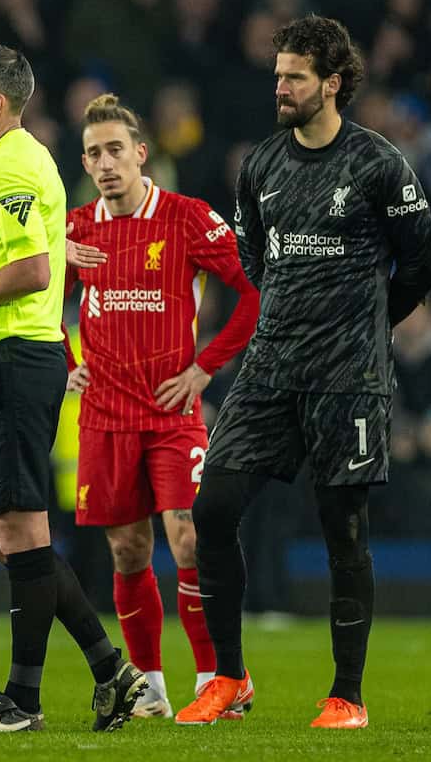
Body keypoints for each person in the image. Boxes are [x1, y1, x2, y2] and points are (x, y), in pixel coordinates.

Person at [181, 16, 431, 729]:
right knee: (214, 510)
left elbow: (420, 266)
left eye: (295, 77)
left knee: (341, 527)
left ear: (332, 83)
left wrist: (366, 325)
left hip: (346, 377)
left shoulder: (379, 164)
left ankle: (346, 696)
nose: (282, 87)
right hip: (269, 370)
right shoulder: (260, 165)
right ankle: (229, 678)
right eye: (278, 75)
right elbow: (255, 262)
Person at [0, 43, 146, 733]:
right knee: (0, 534)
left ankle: (23, 700)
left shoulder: (15, 162)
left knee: (22, 529)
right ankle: (111, 669)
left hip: (16, 358)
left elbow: (32, 272)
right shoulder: (2, 167)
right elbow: (20, 248)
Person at [64, 93, 259, 717]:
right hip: (105, 415)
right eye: (94, 153)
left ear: (141, 154)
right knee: (127, 550)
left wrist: (205, 367)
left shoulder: (186, 217)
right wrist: (70, 366)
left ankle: (218, 677)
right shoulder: (76, 229)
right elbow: (40, 308)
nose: (105, 163)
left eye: (115, 150)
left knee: (189, 540)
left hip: (172, 414)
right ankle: (148, 682)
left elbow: (254, 293)